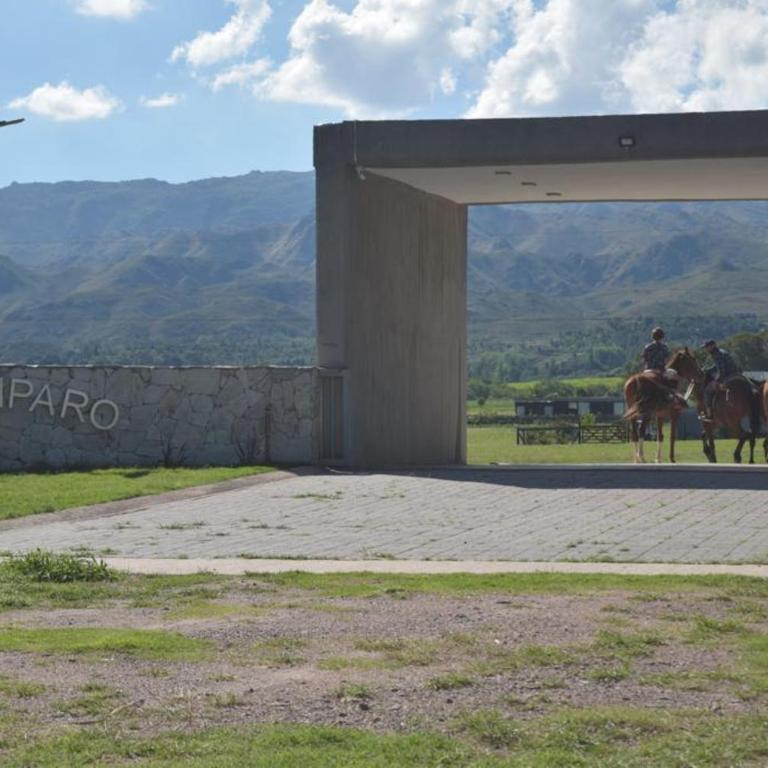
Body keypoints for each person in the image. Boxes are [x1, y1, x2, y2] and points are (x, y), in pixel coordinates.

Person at [701, 339, 741, 421]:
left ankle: (709, 414)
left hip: (728, 378)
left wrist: (717, 380)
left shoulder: (717, 354)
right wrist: (707, 370)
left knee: (707, 391)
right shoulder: (721, 352)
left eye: (707, 347)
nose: (706, 349)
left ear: (713, 346)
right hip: (735, 375)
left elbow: (722, 370)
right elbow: (718, 366)